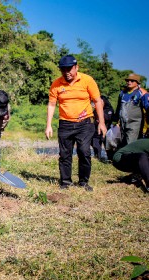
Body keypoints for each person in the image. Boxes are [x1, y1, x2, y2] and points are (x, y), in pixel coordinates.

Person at [45, 55, 107, 191]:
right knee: (64, 154)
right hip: (65, 124)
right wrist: (48, 125)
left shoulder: (87, 80)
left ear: (76, 67)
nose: (67, 73)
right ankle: (66, 181)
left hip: (84, 124)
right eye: (63, 70)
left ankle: (84, 181)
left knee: (84, 151)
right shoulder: (57, 83)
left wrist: (101, 123)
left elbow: (97, 101)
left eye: (69, 69)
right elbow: (51, 104)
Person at [112, 73, 145, 146]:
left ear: (137, 83)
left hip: (134, 123)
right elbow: (118, 107)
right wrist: (115, 120)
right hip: (123, 123)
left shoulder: (141, 93)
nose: (129, 82)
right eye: (128, 80)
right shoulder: (122, 93)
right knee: (123, 143)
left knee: (130, 143)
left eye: (132, 81)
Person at [91, 95, 114, 160]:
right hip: (96, 131)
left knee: (108, 147)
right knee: (95, 145)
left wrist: (100, 111)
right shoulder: (95, 110)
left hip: (107, 131)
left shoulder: (109, 109)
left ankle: (111, 159)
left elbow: (108, 118)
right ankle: (97, 158)